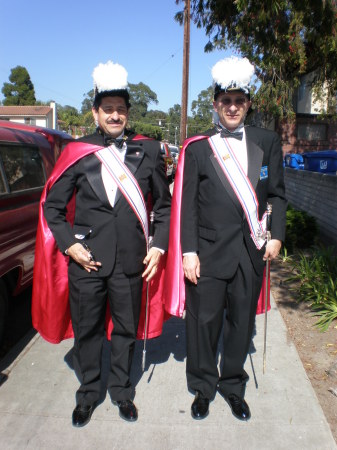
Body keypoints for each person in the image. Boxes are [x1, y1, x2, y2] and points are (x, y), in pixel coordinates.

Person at [32, 61, 171, 427]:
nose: (114, 116)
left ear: (128, 114)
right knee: (88, 331)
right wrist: (68, 246)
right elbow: (53, 207)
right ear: (95, 112)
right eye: (107, 109)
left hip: (131, 262)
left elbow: (166, 206)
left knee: (125, 331)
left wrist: (158, 245)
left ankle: (122, 392)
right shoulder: (77, 152)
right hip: (86, 262)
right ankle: (88, 393)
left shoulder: (149, 151)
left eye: (120, 110)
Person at [165, 56, 287, 421]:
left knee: (240, 324)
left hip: (251, 252)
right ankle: (203, 388)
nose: (232, 107)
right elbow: (186, 204)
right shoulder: (199, 147)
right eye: (225, 101)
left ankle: (233, 385)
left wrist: (277, 236)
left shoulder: (267, 141)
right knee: (203, 323)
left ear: (248, 104)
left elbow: (277, 194)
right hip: (207, 253)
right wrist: (188, 250)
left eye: (239, 101)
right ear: (215, 104)